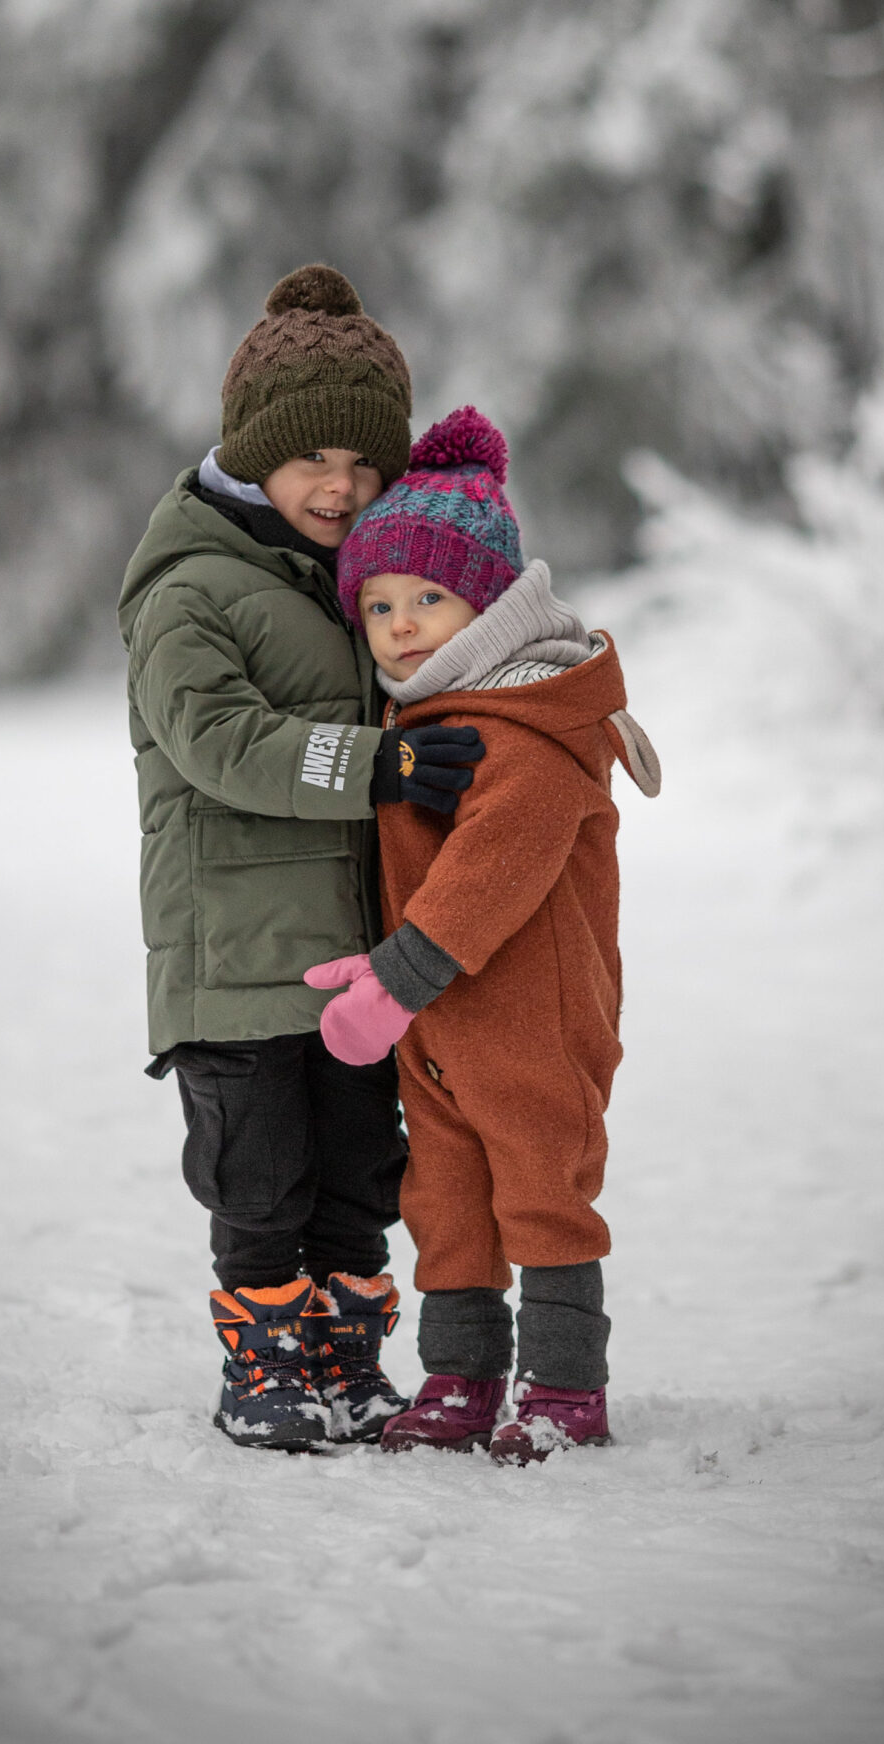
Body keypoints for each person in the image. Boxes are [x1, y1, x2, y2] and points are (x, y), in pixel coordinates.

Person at [117, 266, 486, 1451]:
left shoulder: (339, 586)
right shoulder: (192, 590)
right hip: (231, 960)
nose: (342, 484)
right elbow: (218, 741)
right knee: (259, 1182)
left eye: (366, 463)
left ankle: (345, 1358)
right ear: (254, 451)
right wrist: (371, 768)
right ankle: (263, 1366)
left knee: (353, 1177)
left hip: (347, 957)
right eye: (315, 457)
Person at [308, 407, 660, 1465]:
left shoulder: (528, 727)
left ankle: (564, 1386)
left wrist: (392, 981)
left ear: (490, 600)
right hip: (442, 1025)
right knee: (446, 1198)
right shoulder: (413, 726)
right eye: (378, 603)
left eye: (428, 596)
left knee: (543, 1193)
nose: (401, 624)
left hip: (532, 1016)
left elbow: (486, 877)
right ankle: (462, 1377)